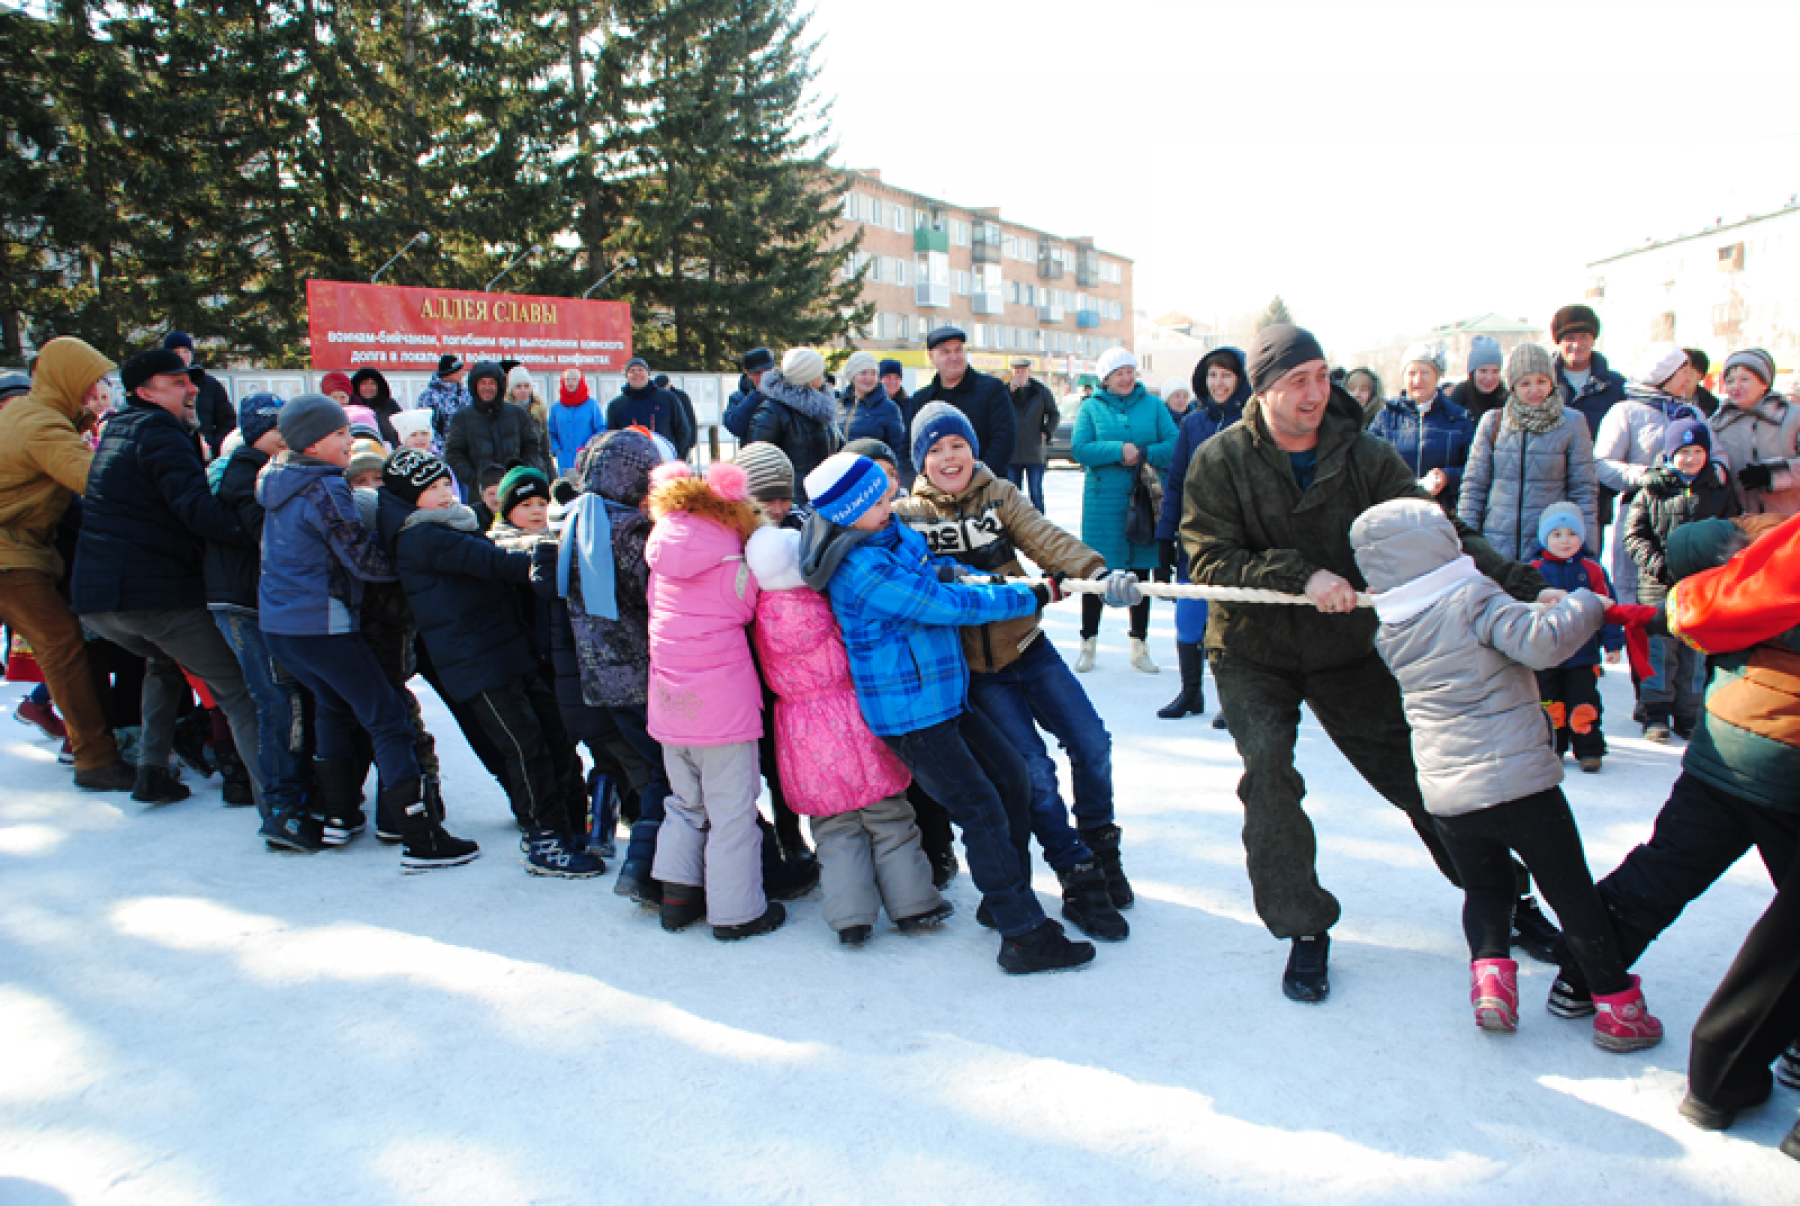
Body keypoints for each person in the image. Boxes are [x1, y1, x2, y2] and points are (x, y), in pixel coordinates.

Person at [1181, 323, 1554, 1003]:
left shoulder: (1363, 454)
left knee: (1421, 773)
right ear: (1262, 389)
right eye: (1298, 380)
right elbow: (1208, 559)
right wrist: (1302, 577)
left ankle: (1504, 900)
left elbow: (1439, 531)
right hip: (1251, 647)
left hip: (1344, 646)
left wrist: (1524, 585)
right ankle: (1304, 927)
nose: (1315, 393)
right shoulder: (1219, 459)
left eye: (1322, 375)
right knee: (1268, 770)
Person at [1349, 498, 1663, 1050]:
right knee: (1569, 890)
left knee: (1487, 889)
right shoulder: (1471, 597)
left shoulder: (1391, 626)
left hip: (1447, 792)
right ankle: (1618, 1007)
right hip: (1520, 783)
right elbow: (1541, 643)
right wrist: (1587, 604)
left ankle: (1492, 985)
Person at [1545, 515, 1800, 1148]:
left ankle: (1582, 975)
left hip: (1726, 743)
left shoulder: (1770, 553)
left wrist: (1739, 546)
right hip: (1788, 761)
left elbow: (1700, 583)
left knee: (1664, 868)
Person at [799, 451, 1095, 974]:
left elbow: (930, 570)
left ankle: (1003, 896)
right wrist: (1034, 595)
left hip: (944, 696)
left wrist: (958, 568)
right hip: (911, 714)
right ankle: (1023, 933)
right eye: (880, 499)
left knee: (1011, 780)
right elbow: (944, 605)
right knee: (980, 808)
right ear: (850, 510)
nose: (891, 502)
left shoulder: (886, 535)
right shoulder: (859, 568)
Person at [896, 405, 1140, 940]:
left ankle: (1101, 846)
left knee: (1092, 741)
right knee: (1033, 770)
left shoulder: (999, 493)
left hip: (1029, 648)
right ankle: (1076, 874)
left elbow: (1044, 537)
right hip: (978, 674)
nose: (948, 457)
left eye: (956, 444)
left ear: (972, 447)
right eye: (934, 450)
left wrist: (1097, 572)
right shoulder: (907, 516)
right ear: (921, 461)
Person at [382, 445, 598, 873]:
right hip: (473, 659)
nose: (445, 494)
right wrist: (535, 564)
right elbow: (487, 561)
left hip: (502, 649)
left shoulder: (449, 525)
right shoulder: (421, 536)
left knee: (552, 734)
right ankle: (544, 838)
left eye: (447, 484)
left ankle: (570, 824)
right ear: (410, 497)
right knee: (525, 746)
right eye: (432, 488)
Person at [72, 347, 267, 807]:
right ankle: (278, 802)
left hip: (99, 604)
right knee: (240, 689)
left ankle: (151, 772)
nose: (192, 388)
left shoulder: (120, 428)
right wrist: (264, 536)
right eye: (177, 381)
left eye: (190, 380)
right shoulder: (160, 432)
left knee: (164, 663)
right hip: (153, 597)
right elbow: (195, 509)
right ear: (145, 392)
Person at [744, 524, 948, 946]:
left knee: (835, 829)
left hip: (800, 732)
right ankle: (915, 906)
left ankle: (850, 917)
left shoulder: (760, 616)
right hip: (853, 718)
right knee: (889, 819)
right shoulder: (824, 603)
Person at [640, 460, 784, 940]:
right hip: (723, 711)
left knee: (685, 803)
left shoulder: (661, 547)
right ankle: (736, 913)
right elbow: (747, 607)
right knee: (732, 814)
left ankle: (677, 899)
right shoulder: (729, 550)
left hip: (669, 705)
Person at [0, 337, 134, 791]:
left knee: (78, 642)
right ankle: (95, 760)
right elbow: (96, 481)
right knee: (64, 645)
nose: (99, 387)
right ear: (68, 379)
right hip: (10, 555)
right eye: (92, 379)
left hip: (25, 550)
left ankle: (97, 746)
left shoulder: (35, 415)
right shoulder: (42, 426)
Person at [556, 430, 674, 903]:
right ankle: (643, 871)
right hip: (640, 673)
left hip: (599, 676)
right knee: (670, 772)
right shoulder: (629, 528)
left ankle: (655, 868)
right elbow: (653, 596)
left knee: (653, 772)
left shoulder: (578, 518)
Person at [201, 393, 320, 848]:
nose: (287, 438)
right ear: (256, 433)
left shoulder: (261, 469)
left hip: (258, 599)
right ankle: (282, 810)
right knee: (277, 700)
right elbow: (268, 536)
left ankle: (295, 798)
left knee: (285, 698)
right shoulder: (249, 472)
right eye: (277, 429)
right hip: (245, 600)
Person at [1623, 419, 1739, 741]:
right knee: (1660, 651)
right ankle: (1655, 711)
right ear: (1669, 454)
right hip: (1658, 586)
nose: (1689, 459)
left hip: (1701, 589)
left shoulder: (1718, 492)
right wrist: (1659, 566)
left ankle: (1688, 712)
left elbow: (1733, 534)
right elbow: (1634, 535)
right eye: (1682, 452)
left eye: (1697, 451)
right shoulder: (1652, 490)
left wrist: (1717, 568)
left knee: (1694, 653)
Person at [1154, 346, 1248, 725]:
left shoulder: (1251, 420)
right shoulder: (1193, 424)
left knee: (1231, 621)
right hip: (1194, 537)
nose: (1218, 382)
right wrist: (1164, 537)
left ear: (1240, 378)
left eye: (1226, 374)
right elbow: (1176, 482)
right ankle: (1191, 691)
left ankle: (1233, 698)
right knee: (1189, 616)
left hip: (1237, 538)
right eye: (1212, 375)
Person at [1070, 346, 1177, 674]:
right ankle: (1088, 642)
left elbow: (1174, 444)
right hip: (1103, 504)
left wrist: (1143, 452)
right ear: (1106, 378)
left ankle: (1139, 645)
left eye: (1130, 370)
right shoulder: (1090, 408)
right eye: (1119, 373)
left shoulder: (1154, 405)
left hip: (1144, 500)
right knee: (1097, 573)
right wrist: (1119, 450)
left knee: (1140, 574)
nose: (1127, 377)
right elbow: (1080, 448)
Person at [1457, 342, 1599, 561]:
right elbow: (1474, 486)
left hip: (1551, 546)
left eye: (1541, 381)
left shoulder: (1572, 422)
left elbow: (1583, 490)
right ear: (1513, 386)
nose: (1535, 390)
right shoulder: (1493, 421)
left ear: (1552, 381)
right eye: (1525, 383)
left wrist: (1587, 549)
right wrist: (1468, 541)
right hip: (1496, 545)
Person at [1592, 342, 1705, 604]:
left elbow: (1718, 456)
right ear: (1663, 374)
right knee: (1640, 597)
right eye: (1683, 372)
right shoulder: (1626, 412)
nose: (1690, 379)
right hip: (1642, 515)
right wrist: (1644, 476)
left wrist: (1715, 473)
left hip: (1689, 514)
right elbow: (1603, 464)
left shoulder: (1693, 412)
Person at [1529, 503, 1624, 773]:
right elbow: (1523, 607)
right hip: (1546, 652)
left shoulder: (1592, 571)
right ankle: (1553, 748)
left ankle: (1589, 749)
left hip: (1583, 653)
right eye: (1556, 534)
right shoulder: (1534, 569)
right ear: (1544, 538)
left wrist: (1613, 643)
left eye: (1571, 533)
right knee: (1550, 702)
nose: (1564, 540)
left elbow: (1608, 608)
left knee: (1584, 702)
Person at [1368, 343, 1475, 515]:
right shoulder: (1385, 419)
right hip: (1395, 513)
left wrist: (1447, 477)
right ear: (1403, 377)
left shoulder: (1458, 419)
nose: (1418, 380)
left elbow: (1474, 470)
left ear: (1437, 375)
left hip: (1442, 514)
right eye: (1412, 373)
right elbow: (1368, 466)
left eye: (1425, 372)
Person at [910, 327, 1016, 480]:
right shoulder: (921, 400)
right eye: (946, 352)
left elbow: (1004, 440)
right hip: (936, 494)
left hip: (985, 490)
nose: (954, 356)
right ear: (931, 356)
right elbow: (910, 448)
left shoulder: (992, 389)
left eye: (958, 350)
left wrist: (975, 480)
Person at [1709, 347, 1800, 517]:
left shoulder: (1794, 417)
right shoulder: (1716, 424)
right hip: (1740, 525)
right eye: (1730, 380)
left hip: (1790, 525)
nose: (1736, 386)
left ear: (1764, 383)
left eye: (1745, 379)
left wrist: (1772, 474)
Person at [749, 348, 843, 505]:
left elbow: (839, 445)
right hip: (791, 503)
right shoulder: (772, 411)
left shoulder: (822, 408)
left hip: (824, 495)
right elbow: (759, 463)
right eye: (819, 373)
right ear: (808, 378)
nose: (823, 377)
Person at [445, 361, 547, 504]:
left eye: (491, 382)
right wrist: (476, 480)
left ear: (499, 385)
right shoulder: (462, 418)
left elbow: (532, 448)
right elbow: (454, 454)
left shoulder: (518, 414)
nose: (487, 387)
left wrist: (520, 476)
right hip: (479, 496)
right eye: (482, 383)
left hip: (515, 491)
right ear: (475, 385)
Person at [1549, 305, 1628, 442]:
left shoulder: (1615, 385)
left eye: (1584, 337)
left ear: (1593, 340)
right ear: (1558, 341)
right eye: (1570, 338)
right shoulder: (1542, 384)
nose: (1577, 345)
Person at [162, 332, 236, 457]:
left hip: (205, 454)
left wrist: (214, 446)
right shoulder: (160, 383)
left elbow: (227, 421)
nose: (181, 356)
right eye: (176, 352)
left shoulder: (210, 385)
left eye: (186, 351)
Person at [837, 350, 909, 476]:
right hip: (843, 474)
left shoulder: (888, 408)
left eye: (873, 373)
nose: (869, 378)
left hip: (873, 475)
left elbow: (899, 448)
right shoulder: (840, 404)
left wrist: (899, 480)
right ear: (852, 375)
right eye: (863, 373)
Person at [1005, 357, 1061, 513]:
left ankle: (1039, 527)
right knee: (1012, 493)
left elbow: (1054, 414)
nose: (1019, 374)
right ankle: (1014, 526)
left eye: (1023, 371)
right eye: (1016, 371)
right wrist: (1009, 393)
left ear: (1029, 372)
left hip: (1034, 450)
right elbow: (996, 414)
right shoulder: (1004, 392)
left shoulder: (1041, 391)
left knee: (1035, 493)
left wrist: (1047, 431)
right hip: (1012, 452)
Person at [606, 357, 687, 449]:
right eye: (632, 371)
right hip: (631, 460)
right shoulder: (616, 406)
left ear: (648, 374)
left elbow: (683, 431)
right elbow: (612, 439)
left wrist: (677, 456)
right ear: (626, 376)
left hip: (665, 459)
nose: (636, 373)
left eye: (640, 370)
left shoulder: (668, 398)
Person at [549, 369, 604, 474]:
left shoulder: (591, 405)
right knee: (566, 488)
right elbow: (551, 432)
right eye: (567, 379)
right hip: (564, 461)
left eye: (574, 379)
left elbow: (600, 429)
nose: (570, 383)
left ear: (580, 382)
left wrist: (591, 448)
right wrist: (557, 450)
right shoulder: (556, 407)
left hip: (587, 458)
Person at [505, 366, 554, 474]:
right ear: (511, 390)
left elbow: (545, 451)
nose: (523, 390)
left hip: (537, 470)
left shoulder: (538, 412)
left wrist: (552, 477)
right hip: (514, 472)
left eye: (526, 386)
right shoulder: (504, 413)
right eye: (518, 386)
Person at [419, 353, 471, 454]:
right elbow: (427, 427)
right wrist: (441, 450)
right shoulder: (429, 396)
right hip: (442, 453)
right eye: (459, 371)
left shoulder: (466, 393)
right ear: (450, 374)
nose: (463, 374)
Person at [722, 347, 777, 441]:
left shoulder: (785, 393)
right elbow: (736, 427)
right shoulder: (738, 397)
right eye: (758, 372)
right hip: (753, 453)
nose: (763, 376)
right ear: (748, 374)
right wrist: (757, 394)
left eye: (767, 371)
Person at [1450, 336, 1507, 424]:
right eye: (1483, 371)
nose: (1489, 378)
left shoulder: (1505, 399)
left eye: (1495, 371)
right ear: (1472, 373)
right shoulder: (1461, 395)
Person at [349, 368, 403, 446]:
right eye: (364, 384)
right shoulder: (350, 407)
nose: (369, 387)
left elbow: (401, 428)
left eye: (373, 383)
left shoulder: (390, 405)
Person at [653, 374, 699, 460]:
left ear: (668, 385)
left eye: (663, 387)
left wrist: (692, 439)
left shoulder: (681, 396)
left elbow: (690, 418)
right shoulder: (657, 397)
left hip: (682, 437)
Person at [1684, 349, 1720, 417]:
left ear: (1700, 376)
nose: (1682, 377)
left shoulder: (1714, 407)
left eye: (1687, 372)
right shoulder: (1662, 401)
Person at [881, 359, 912, 428]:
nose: (892, 381)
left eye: (897, 378)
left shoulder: (909, 406)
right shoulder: (871, 404)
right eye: (888, 377)